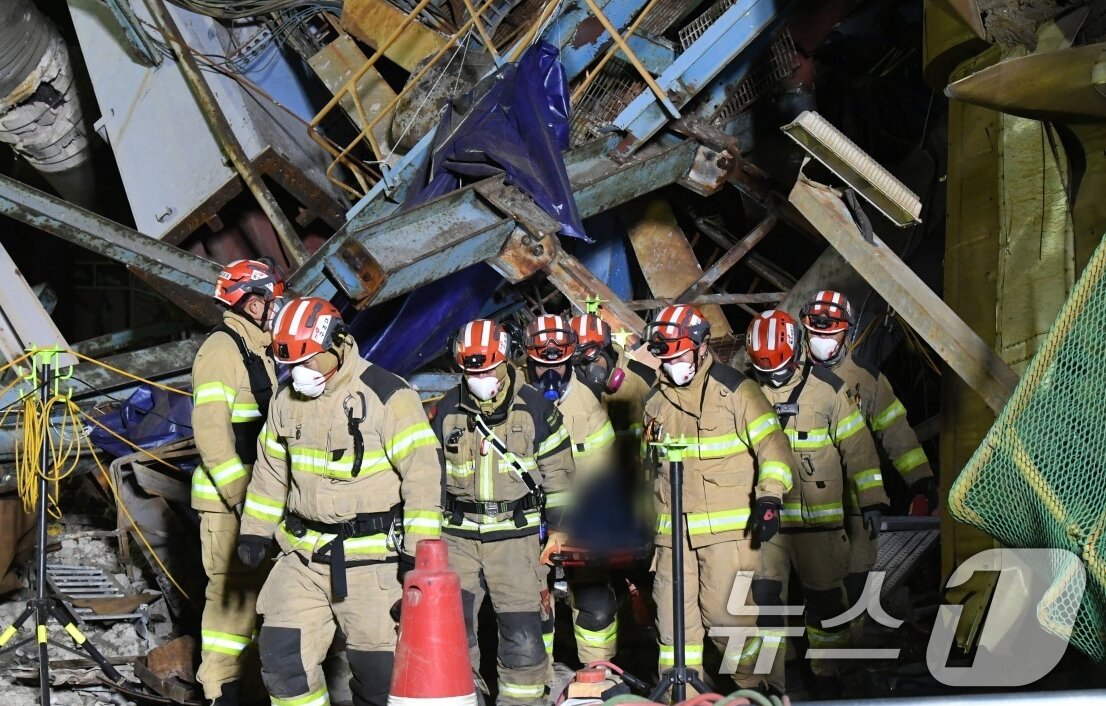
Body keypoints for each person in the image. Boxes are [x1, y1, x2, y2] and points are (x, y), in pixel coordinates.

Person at [237, 297, 443, 706]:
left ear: (337, 343)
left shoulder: (388, 396)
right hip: (302, 556)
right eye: (291, 364)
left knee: (379, 679)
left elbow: (423, 478)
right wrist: (255, 531)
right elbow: (271, 470)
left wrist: (417, 554)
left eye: (307, 360)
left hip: (374, 563)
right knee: (282, 660)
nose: (300, 372)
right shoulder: (284, 400)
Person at [641, 305, 794, 692]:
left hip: (726, 537)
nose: (673, 365)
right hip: (672, 540)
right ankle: (683, 696)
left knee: (730, 624)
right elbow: (649, 471)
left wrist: (770, 498)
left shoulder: (737, 390)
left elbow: (774, 448)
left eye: (679, 355)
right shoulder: (654, 403)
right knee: (674, 631)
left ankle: (757, 689)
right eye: (666, 358)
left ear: (700, 346)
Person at [746, 309, 889, 694]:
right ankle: (769, 683)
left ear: (796, 354)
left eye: (780, 369)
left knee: (827, 606)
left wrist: (872, 500)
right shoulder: (747, 394)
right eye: (765, 370)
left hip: (820, 528)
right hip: (769, 526)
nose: (774, 378)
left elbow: (858, 448)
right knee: (765, 604)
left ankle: (830, 675)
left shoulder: (828, 390)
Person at [433, 318, 573, 706]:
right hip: (458, 538)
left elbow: (560, 476)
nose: (478, 378)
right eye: (470, 371)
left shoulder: (535, 408)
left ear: (505, 361)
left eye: (486, 369)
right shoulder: (448, 408)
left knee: (522, 633)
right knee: (453, 630)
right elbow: (431, 475)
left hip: (515, 538)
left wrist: (558, 531)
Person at [799, 290, 938, 607]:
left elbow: (896, 433)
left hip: (856, 505)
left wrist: (922, 480)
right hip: (802, 508)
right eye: (815, 333)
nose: (822, 340)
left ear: (846, 332)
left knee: (856, 584)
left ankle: (852, 636)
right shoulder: (788, 379)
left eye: (830, 334)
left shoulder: (867, 381)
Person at [191, 258, 284, 705]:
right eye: (271, 300)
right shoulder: (221, 350)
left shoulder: (257, 348)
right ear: (251, 303)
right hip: (229, 505)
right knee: (231, 608)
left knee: (258, 601)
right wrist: (241, 499)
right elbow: (212, 433)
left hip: (255, 501)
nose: (275, 308)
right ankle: (220, 694)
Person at [523, 314, 618, 664]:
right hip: (529, 523)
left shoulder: (588, 403)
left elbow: (602, 471)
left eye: (559, 364)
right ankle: (536, 680)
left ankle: (600, 673)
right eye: (541, 365)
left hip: (580, 520)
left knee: (595, 605)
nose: (551, 373)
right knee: (532, 607)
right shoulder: (516, 399)